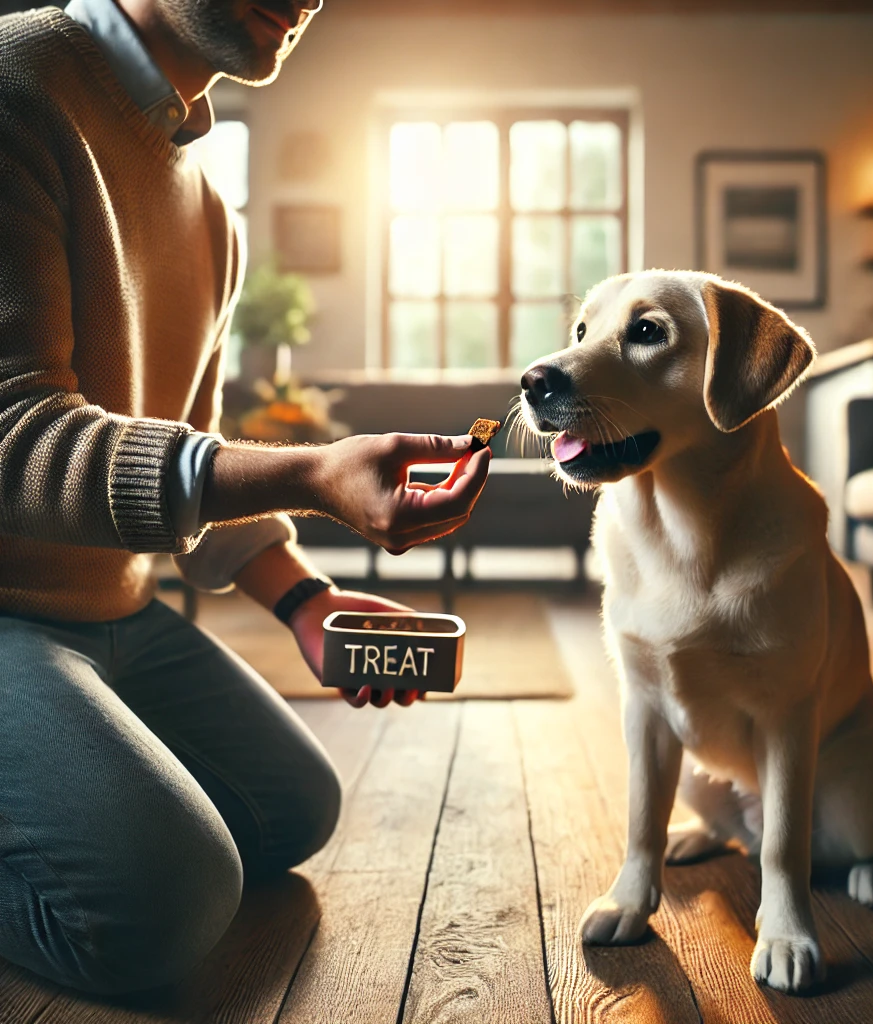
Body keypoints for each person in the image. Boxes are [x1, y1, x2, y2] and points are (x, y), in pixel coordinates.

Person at [0, 0, 491, 995]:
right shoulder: (19, 86)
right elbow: (16, 438)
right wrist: (311, 473)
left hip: (113, 612)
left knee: (290, 807)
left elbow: (185, 451)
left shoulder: (208, 210)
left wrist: (308, 602)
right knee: (164, 898)